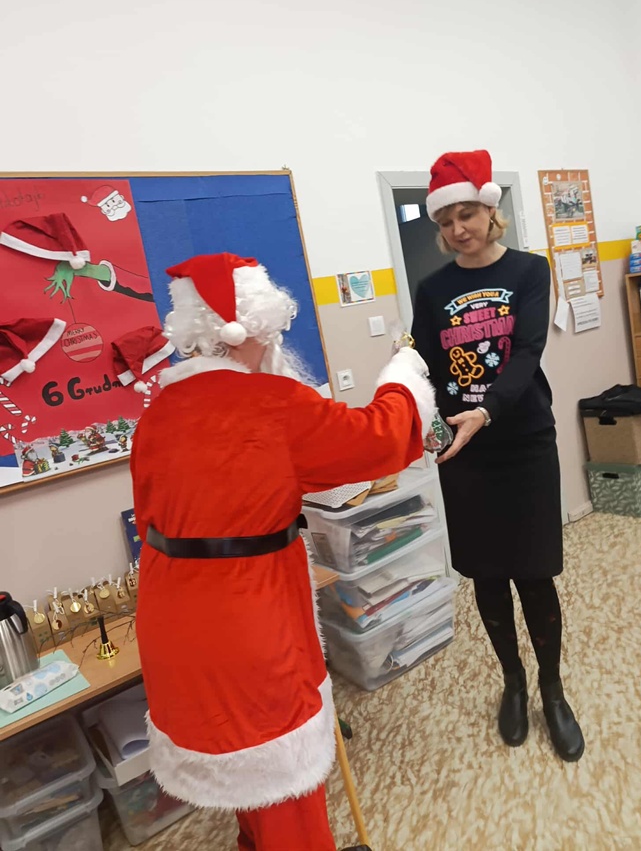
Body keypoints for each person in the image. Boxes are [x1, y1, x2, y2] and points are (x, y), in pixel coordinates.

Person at [130, 251, 434, 851]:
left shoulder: (160, 411)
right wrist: (403, 376)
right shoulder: (272, 404)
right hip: (250, 630)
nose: (274, 343)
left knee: (246, 786)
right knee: (283, 790)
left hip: (172, 624)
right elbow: (381, 437)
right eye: (270, 331)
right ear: (248, 330)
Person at [411, 150, 584, 763]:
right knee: (487, 574)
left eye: (467, 215)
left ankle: (552, 689)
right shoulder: (433, 289)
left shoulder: (530, 271)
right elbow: (424, 363)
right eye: (446, 221)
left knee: (534, 573)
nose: (458, 229)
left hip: (524, 442)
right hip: (465, 453)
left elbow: (528, 350)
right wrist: (410, 409)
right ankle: (512, 681)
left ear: (489, 211)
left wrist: (485, 411)